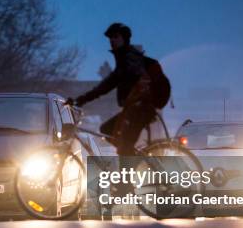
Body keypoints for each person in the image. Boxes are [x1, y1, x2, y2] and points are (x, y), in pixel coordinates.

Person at [66, 22, 170, 155]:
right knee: (107, 129)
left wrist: (142, 100)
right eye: (110, 38)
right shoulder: (124, 61)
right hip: (134, 109)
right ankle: (133, 156)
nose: (112, 40)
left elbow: (136, 81)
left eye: (115, 37)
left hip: (141, 109)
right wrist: (80, 100)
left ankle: (128, 164)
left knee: (124, 147)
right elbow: (106, 86)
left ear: (124, 39)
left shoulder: (131, 60)